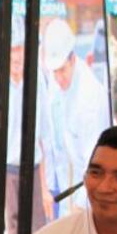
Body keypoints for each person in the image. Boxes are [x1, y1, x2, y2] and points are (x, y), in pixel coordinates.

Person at [40, 18, 108, 215]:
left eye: (62, 70)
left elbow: (92, 163)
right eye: (55, 72)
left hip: (86, 197)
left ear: (72, 59)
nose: (59, 78)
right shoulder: (55, 81)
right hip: (63, 188)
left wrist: (78, 207)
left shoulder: (89, 97)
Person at [3, 18, 54, 234]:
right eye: (12, 50)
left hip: (33, 169)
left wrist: (45, 188)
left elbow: (44, 138)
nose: (16, 57)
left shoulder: (37, 82)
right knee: (12, 228)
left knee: (39, 230)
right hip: (7, 170)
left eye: (20, 50)